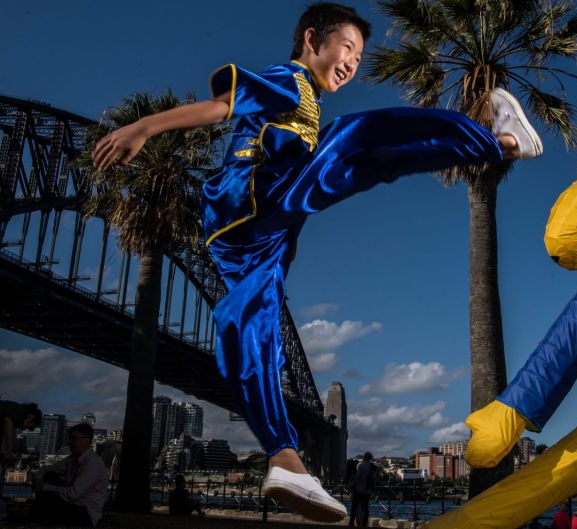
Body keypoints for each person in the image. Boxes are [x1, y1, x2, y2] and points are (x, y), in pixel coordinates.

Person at [91, 1, 542, 523]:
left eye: (358, 56)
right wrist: (146, 127)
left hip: (250, 237)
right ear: (313, 40)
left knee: (249, 327)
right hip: (258, 199)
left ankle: (285, 460)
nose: (352, 63)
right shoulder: (291, 79)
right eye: (347, 48)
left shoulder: (305, 98)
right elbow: (223, 106)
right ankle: (498, 141)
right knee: (355, 140)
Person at [29, 423, 109, 526]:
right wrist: (38, 480)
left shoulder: (93, 463)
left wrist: (44, 487)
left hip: (85, 514)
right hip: (70, 505)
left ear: (87, 440)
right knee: (50, 475)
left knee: (48, 496)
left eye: (73, 438)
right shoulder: (71, 460)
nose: (70, 442)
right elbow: (46, 469)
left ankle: (36, 518)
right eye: (69, 438)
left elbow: (74, 494)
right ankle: (38, 518)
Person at [349, 452, 375, 527]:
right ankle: (364, 523)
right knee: (366, 507)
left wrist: (352, 485)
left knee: (354, 506)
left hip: (359, 489)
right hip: (367, 490)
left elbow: (358, 477)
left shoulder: (361, 466)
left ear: (364, 457)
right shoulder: (372, 466)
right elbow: (374, 477)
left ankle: (351, 522)